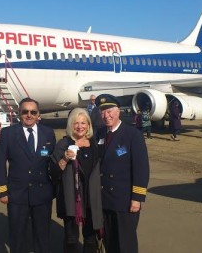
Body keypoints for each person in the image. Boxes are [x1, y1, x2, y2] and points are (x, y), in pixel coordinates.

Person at [0, 98, 56, 253]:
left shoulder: (48, 133)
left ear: (38, 114)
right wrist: (2, 190)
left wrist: (54, 189)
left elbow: (52, 162)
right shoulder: (8, 133)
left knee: (42, 236)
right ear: (19, 113)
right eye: (25, 112)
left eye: (33, 112)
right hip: (17, 193)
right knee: (17, 236)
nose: (29, 115)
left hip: (42, 193)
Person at [95, 94, 150, 253]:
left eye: (110, 110)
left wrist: (137, 198)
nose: (107, 115)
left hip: (125, 201)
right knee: (110, 242)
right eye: (103, 112)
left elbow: (141, 169)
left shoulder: (133, 135)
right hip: (105, 200)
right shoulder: (99, 134)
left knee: (126, 244)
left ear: (118, 111)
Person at [50, 108, 103, 252]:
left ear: (88, 125)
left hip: (91, 199)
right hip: (72, 199)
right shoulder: (64, 144)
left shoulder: (94, 145)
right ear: (70, 125)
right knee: (71, 239)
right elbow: (53, 173)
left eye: (83, 123)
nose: (80, 126)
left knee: (91, 238)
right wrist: (65, 158)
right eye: (76, 123)